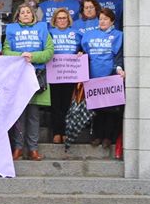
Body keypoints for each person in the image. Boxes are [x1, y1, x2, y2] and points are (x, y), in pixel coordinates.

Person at [4, 2, 54, 161]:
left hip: (36, 76)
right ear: (17, 15)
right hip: (18, 76)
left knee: (33, 115)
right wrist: (19, 56)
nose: (25, 14)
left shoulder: (43, 29)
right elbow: (5, 51)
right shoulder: (11, 29)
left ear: (33, 15)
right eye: (22, 12)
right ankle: (18, 148)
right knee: (18, 114)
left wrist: (33, 56)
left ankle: (33, 149)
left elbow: (49, 52)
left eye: (28, 12)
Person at [81, 9, 125, 149]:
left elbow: (119, 55)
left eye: (106, 19)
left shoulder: (118, 36)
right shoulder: (89, 35)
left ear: (112, 21)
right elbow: (84, 53)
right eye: (100, 19)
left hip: (111, 76)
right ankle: (97, 136)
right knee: (97, 109)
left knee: (111, 109)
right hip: (94, 77)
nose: (102, 21)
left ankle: (108, 137)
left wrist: (119, 69)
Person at [47, 8, 80, 145]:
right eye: (59, 18)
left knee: (67, 104)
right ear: (55, 20)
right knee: (56, 104)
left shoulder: (76, 34)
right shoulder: (50, 33)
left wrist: (81, 53)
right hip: (54, 72)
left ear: (68, 20)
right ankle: (56, 132)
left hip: (70, 73)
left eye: (64, 18)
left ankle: (66, 132)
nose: (62, 20)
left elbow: (82, 49)